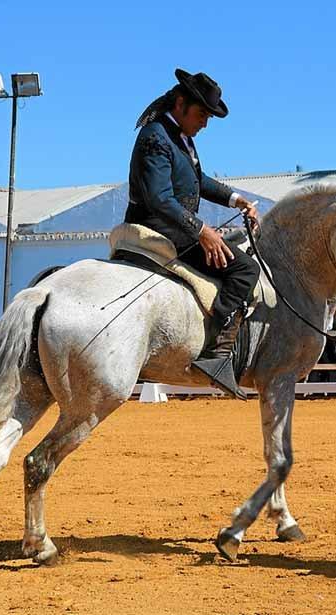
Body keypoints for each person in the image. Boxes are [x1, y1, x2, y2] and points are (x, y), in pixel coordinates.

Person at [126, 68, 260, 399]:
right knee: (245, 268)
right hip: (159, 227)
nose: (205, 123)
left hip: (176, 225)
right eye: (202, 114)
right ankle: (216, 352)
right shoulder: (156, 137)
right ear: (181, 104)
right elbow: (160, 199)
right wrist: (202, 231)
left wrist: (236, 199)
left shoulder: (179, 137)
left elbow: (198, 181)